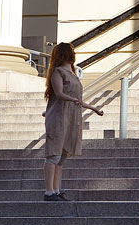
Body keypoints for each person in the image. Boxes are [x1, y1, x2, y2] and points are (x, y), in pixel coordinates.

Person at [43, 42, 102, 201]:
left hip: (71, 119)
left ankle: (56, 190)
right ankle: (48, 191)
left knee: (62, 156)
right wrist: (73, 99)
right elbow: (60, 93)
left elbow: (78, 100)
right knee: (53, 155)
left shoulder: (73, 74)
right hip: (59, 118)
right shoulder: (58, 71)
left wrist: (94, 109)